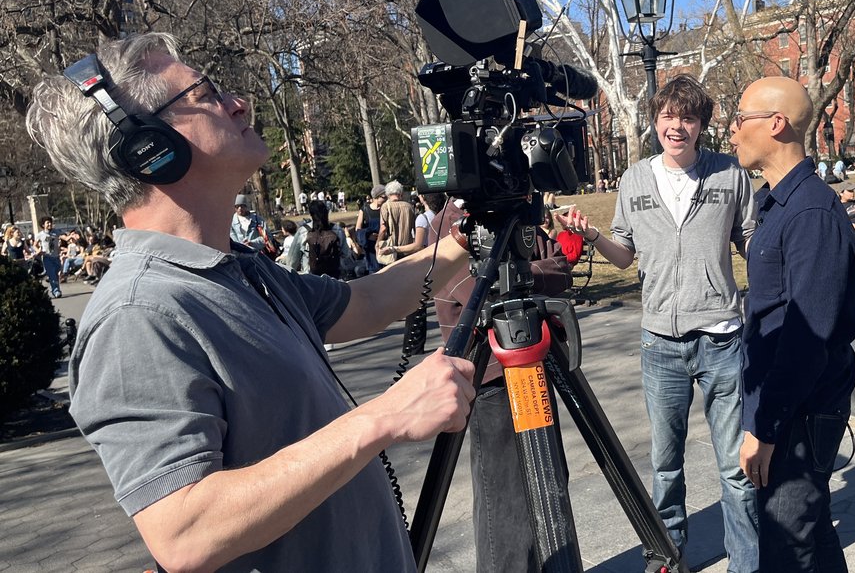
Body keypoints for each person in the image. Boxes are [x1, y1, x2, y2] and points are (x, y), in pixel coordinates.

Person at [25, 32, 475, 571]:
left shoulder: (241, 270)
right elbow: (185, 532)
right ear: (149, 146)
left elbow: (366, 300)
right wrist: (385, 416)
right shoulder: (139, 312)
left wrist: (469, 238)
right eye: (206, 93)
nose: (238, 102)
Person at [556, 75, 758, 571]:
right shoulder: (634, 181)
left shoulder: (730, 175)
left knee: (735, 469)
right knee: (666, 465)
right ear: (655, 121)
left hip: (722, 339)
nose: (677, 127)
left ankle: (747, 562)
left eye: (688, 118)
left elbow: (753, 242)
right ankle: (666, 556)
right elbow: (624, 257)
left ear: (702, 126)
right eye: (669, 116)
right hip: (661, 344)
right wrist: (593, 234)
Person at [728, 76, 855, 571]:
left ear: (776, 124)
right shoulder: (778, 203)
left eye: (741, 119)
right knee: (812, 534)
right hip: (785, 408)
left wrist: (765, 428)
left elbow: (807, 339)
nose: (733, 132)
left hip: (798, 413)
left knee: (787, 546)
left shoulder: (810, 213)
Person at [432, 198, 572, 573]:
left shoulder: (512, 210)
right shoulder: (449, 228)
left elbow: (560, 264)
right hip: (490, 377)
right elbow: (482, 293)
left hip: (535, 361)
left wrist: (519, 275)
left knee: (550, 483)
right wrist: (528, 275)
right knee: (504, 501)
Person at [356, 184, 385, 272]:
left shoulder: (385, 208)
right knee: (374, 272)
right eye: (384, 197)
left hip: (384, 245)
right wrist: (367, 234)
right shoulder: (364, 209)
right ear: (377, 196)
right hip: (370, 247)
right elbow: (358, 228)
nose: (386, 199)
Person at [32, 216, 63, 298]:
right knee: (52, 274)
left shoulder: (56, 232)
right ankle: (56, 291)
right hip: (47, 257)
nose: (49, 224)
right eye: (47, 223)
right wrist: (38, 251)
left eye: (50, 222)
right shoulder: (40, 235)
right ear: (43, 225)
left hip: (56, 256)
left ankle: (56, 289)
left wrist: (69, 237)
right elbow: (34, 245)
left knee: (56, 274)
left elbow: (63, 237)